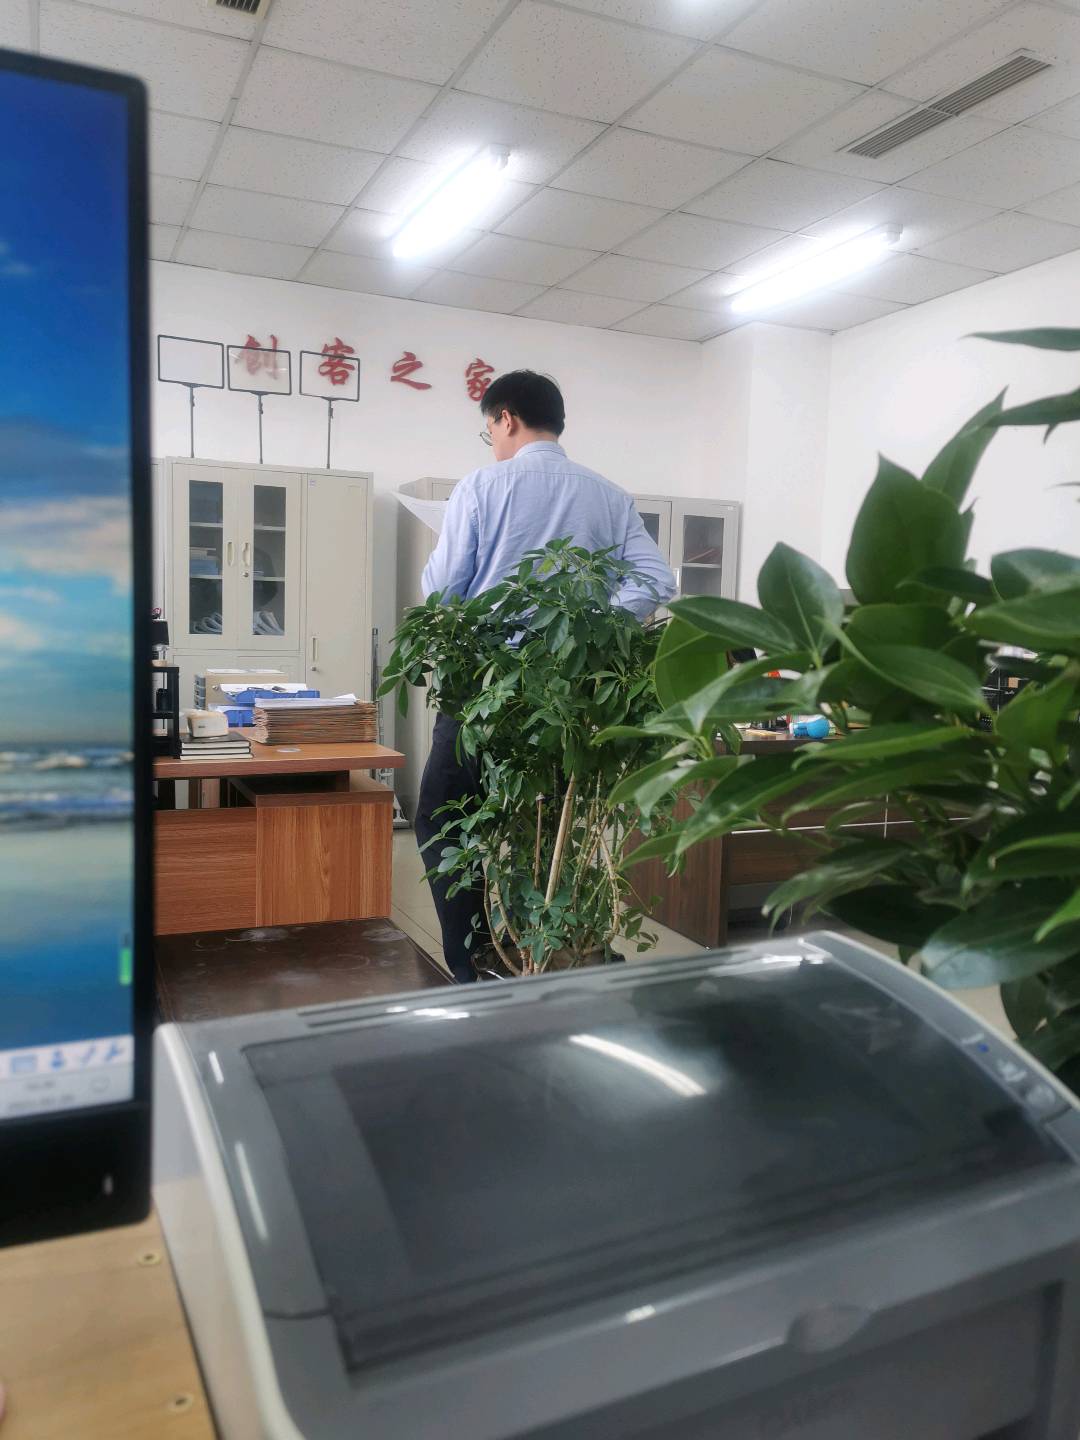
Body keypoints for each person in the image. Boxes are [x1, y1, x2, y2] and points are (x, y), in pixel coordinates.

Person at [415, 370, 677, 982]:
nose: (492, 442)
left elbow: (442, 592)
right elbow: (654, 580)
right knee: (549, 824)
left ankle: (473, 964)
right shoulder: (610, 496)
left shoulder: (481, 487)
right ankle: (546, 957)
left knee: (445, 816)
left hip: (485, 688)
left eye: (490, 430)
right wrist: (585, 632)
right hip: (571, 695)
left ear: (505, 418)